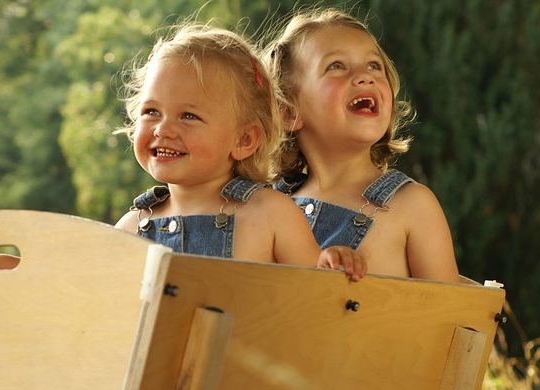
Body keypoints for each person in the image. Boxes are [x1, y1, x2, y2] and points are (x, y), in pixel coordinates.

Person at [112, 23, 365, 279]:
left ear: (244, 140)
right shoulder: (130, 228)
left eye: (189, 116)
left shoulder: (270, 213)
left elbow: (317, 295)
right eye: (151, 112)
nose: (162, 129)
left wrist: (334, 264)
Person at [264, 9, 460, 282]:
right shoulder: (271, 204)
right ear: (288, 112)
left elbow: (453, 315)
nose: (365, 76)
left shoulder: (412, 205)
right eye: (336, 66)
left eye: (374, 66)